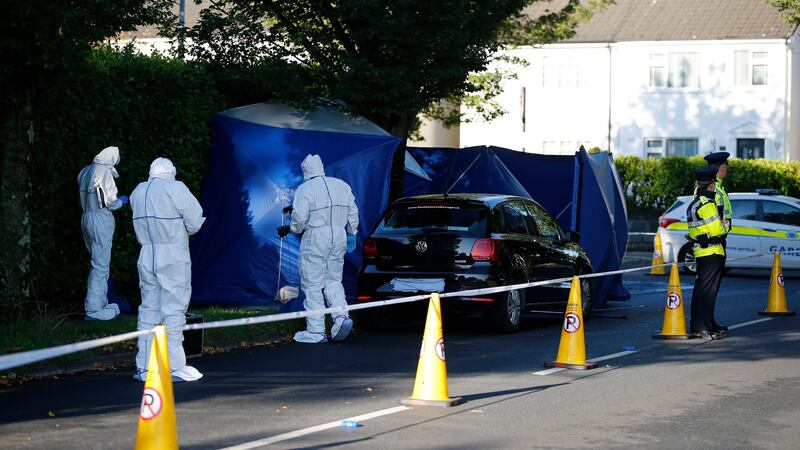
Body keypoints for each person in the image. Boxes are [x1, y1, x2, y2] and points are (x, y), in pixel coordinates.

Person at [131, 158, 206, 382]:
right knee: (173, 309)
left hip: (147, 253)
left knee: (148, 310)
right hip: (172, 253)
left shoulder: (138, 191)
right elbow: (194, 221)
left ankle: (145, 366)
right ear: (171, 171)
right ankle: (173, 366)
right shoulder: (176, 188)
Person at [277, 154, 359, 344]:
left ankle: (316, 331)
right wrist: (351, 232)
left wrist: (290, 227)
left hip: (316, 237)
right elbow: (352, 211)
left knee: (312, 283)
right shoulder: (341, 185)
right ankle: (340, 318)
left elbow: (299, 223)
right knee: (333, 280)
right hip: (339, 236)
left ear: (306, 171)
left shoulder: (305, 189)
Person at [77, 146, 127, 321]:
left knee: (96, 263)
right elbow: (109, 201)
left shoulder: (86, 170)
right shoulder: (103, 171)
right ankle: (94, 308)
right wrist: (122, 201)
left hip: (86, 217)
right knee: (101, 266)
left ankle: (99, 303)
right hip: (100, 220)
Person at [687, 167, 729, 339]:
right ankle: (703, 327)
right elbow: (718, 229)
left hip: (701, 252)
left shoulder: (695, 202)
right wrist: (725, 224)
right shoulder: (707, 204)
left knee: (701, 291)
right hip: (713, 252)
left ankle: (702, 325)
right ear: (711, 185)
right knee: (708, 293)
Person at [704, 151, 732, 332]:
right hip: (714, 241)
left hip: (720, 240)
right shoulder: (712, 189)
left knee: (713, 288)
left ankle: (710, 321)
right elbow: (713, 217)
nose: (727, 170)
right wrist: (723, 228)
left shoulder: (719, 188)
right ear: (719, 169)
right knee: (709, 288)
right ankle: (706, 323)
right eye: (725, 167)